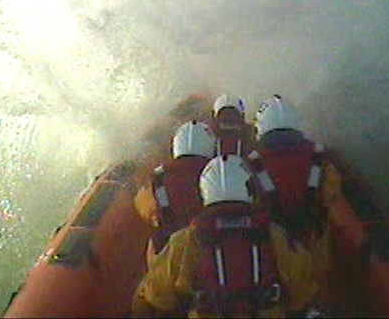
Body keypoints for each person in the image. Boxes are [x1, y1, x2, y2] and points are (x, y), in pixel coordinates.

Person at [131, 154, 320, 318]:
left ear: (204, 193)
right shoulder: (274, 236)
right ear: (250, 190)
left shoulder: (186, 240)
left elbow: (154, 298)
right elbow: (303, 291)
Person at [247, 95, 366, 312]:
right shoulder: (320, 161)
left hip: (274, 265)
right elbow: (332, 196)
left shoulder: (253, 166)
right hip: (316, 261)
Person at [134, 120, 217, 265]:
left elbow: (143, 210)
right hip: (208, 257)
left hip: (169, 262)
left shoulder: (157, 179)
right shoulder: (215, 174)